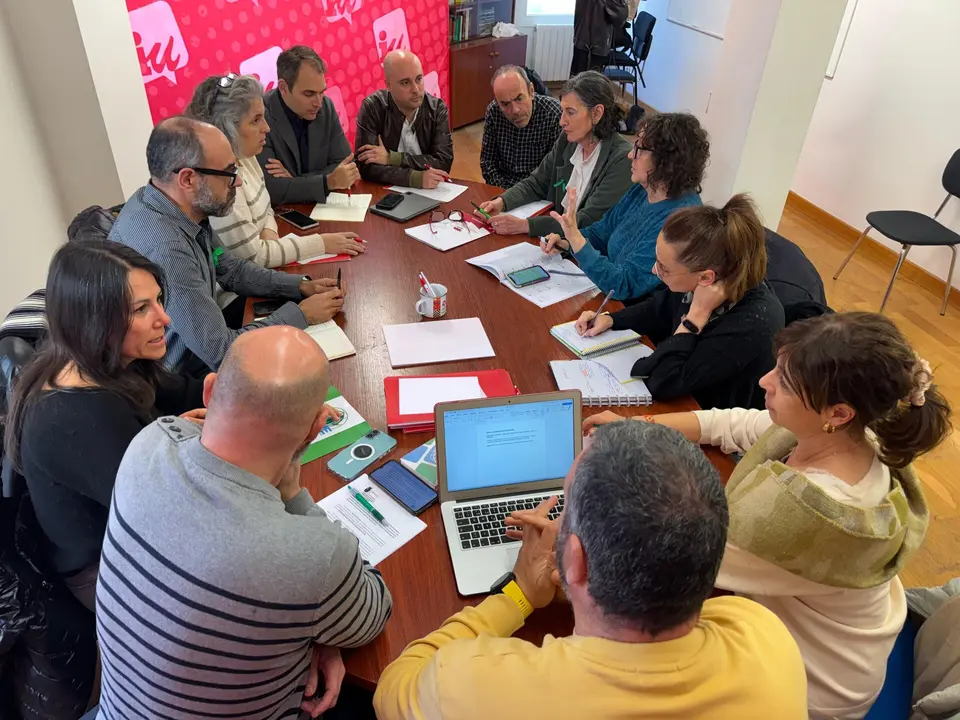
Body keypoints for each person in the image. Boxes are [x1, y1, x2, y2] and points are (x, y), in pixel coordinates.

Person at [583, 312, 952, 719]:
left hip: (813, 687)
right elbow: (733, 423)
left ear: (838, 412)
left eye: (785, 381)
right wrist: (637, 427)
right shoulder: (855, 434)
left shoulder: (808, 515)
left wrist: (575, 522)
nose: (764, 380)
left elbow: (672, 561)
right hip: (843, 644)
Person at [373, 420, 809, 720]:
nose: (557, 520)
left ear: (575, 559)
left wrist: (520, 592)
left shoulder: (473, 686)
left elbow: (394, 687)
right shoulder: (765, 636)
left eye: (567, 510)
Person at [95, 326, 393, 719]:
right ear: (315, 428)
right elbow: (374, 613)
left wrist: (310, 614)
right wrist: (295, 497)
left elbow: (187, 435)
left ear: (209, 391)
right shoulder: (315, 555)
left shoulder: (150, 442)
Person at [4, 241, 206, 611]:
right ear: (96, 321)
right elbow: (171, 519)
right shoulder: (77, 419)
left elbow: (186, 392)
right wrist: (187, 438)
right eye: (142, 309)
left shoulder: (104, 360)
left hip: (141, 525)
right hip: (104, 571)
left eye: (158, 300)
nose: (164, 319)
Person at [110, 116, 345, 376]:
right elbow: (223, 353)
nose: (239, 182)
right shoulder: (167, 248)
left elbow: (226, 267)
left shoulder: (171, 205)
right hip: (181, 381)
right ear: (188, 179)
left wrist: (299, 285)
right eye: (229, 173)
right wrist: (302, 316)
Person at [576, 194, 783, 410]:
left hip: (706, 418)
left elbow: (663, 383)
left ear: (705, 277)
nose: (653, 270)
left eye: (664, 268)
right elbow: (659, 308)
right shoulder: (706, 279)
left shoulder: (753, 322)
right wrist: (611, 320)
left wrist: (696, 316)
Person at [186, 73, 366, 267]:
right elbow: (254, 260)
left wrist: (269, 237)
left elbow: (267, 208)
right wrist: (322, 243)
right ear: (226, 129)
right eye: (255, 120)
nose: (266, 128)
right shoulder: (219, 184)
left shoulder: (247, 156)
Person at [542, 112, 709, 300]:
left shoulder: (681, 220)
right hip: (605, 296)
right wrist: (568, 242)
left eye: (639, 149)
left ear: (667, 160)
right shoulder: (643, 189)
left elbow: (623, 285)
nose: (630, 155)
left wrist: (576, 239)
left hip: (631, 314)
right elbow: (601, 232)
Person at [480, 71, 632, 239]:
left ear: (596, 113)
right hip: (556, 240)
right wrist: (501, 202)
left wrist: (525, 225)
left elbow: (587, 220)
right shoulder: (568, 141)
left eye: (570, 112)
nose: (562, 121)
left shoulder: (622, 158)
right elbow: (536, 182)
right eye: (562, 111)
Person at [257, 45, 360, 204]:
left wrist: (295, 180)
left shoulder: (326, 106)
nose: (318, 102)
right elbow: (270, 189)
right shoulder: (260, 117)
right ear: (283, 87)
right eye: (309, 94)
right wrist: (327, 182)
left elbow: (347, 167)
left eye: (322, 92)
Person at [355, 50, 454, 190]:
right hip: (386, 191)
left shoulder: (436, 108)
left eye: (419, 79)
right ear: (388, 86)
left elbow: (443, 162)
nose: (416, 89)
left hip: (430, 190)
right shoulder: (373, 108)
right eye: (405, 83)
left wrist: (392, 158)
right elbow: (365, 167)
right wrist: (415, 178)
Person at [480, 65, 562, 189]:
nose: (515, 110)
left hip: (538, 192)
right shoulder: (494, 111)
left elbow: (554, 171)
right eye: (505, 104)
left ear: (531, 91)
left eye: (519, 98)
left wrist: (520, 196)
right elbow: (487, 163)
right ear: (497, 102)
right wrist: (505, 195)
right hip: (503, 188)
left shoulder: (554, 114)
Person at [571, 0, 628, 75]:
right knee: (591, 81)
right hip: (596, 43)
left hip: (581, 38)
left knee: (577, 79)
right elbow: (620, 16)